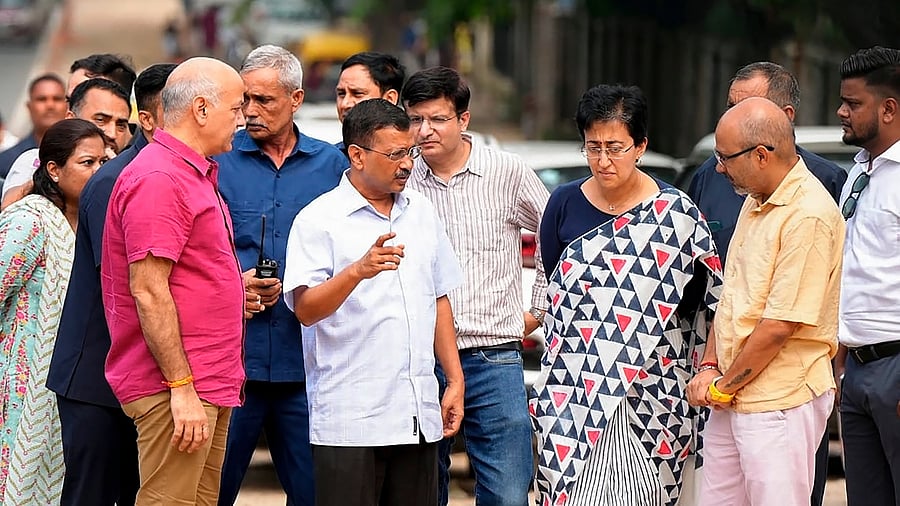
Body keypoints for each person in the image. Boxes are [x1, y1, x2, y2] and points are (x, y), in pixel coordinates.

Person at [531, 84, 722, 505]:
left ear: (640, 146)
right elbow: (554, 292)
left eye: (615, 147)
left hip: (653, 390)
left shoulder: (677, 217)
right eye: (592, 147)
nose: (603, 160)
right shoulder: (563, 204)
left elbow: (709, 305)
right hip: (574, 391)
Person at [282, 98, 464, 506]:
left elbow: (438, 297)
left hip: (416, 414)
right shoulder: (319, 219)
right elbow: (306, 310)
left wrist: (454, 380)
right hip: (351, 420)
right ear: (357, 155)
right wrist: (356, 271)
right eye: (394, 153)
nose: (407, 164)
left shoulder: (421, 212)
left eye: (410, 152)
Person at [685, 61, 847, 506]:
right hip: (732, 392)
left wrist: (722, 384)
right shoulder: (755, 202)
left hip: (780, 399)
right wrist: (709, 368)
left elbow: (779, 324)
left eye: (725, 158)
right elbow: (730, 296)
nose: (717, 170)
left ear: (761, 154)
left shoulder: (809, 212)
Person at [101, 56, 246, 505]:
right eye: (236, 108)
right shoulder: (160, 176)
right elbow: (147, 289)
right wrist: (180, 388)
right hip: (177, 387)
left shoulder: (191, 171)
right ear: (201, 109)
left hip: (208, 380)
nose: (244, 119)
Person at [402, 66, 548, 506]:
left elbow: (559, 238)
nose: (425, 131)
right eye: (415, 119)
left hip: (494, 355)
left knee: (506, 494)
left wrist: (537, 310)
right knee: (422, 491)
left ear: (463, 120)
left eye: (438, 119)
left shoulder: (507, 171)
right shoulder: (401, 178)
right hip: (418, 358)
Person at [215, 45, 346, 506]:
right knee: (210, 493)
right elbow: (196, 251)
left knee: (317, 495)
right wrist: (235, 283)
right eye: (244, 100)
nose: (251, 111)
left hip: (307, 366)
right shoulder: (219, 162)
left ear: (295, 99)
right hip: (234, 368)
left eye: (264, 101)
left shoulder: (333, 167)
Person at [47, 63, 177, 506]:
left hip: (139, 375)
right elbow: (129, 284)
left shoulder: (180, 173)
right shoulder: (119, 179)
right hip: (97, 381)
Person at [0, 118, 109, 503]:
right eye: (87, 162)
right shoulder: (28, 221)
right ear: (53, 169)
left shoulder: (97, 222)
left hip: (74, 387)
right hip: (22, 387)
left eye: (104, 161)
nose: (99, 171)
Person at [687, 61, 847, 264]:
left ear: (786, 116)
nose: (732, 118)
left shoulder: (825, 183)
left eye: (747, 110)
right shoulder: (710, 174)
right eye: (730, 108)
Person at [834, 45, 900, 506]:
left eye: (853, 103)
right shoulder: (858, 173)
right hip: (855, 370)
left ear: (889, 108)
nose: (841, 111)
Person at [2, 78, 132, 208]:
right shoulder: (33, 162)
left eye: (121, 125)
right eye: (100, 120)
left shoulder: (135, 173)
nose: (112, 134)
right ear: (71, 119)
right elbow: (8, 211)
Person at [334, 52, 406, 154]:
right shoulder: (328, 162)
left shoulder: (416, 160)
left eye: (357, 93)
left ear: (389, 99)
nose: (345, 104)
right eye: (341, 94)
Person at [0, 74, 67, 178]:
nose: (50, 105)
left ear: (68, 105)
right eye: (42, 99)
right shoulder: (6, 161)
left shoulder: (85, 156)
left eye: (57, 99)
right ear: (29, 107)